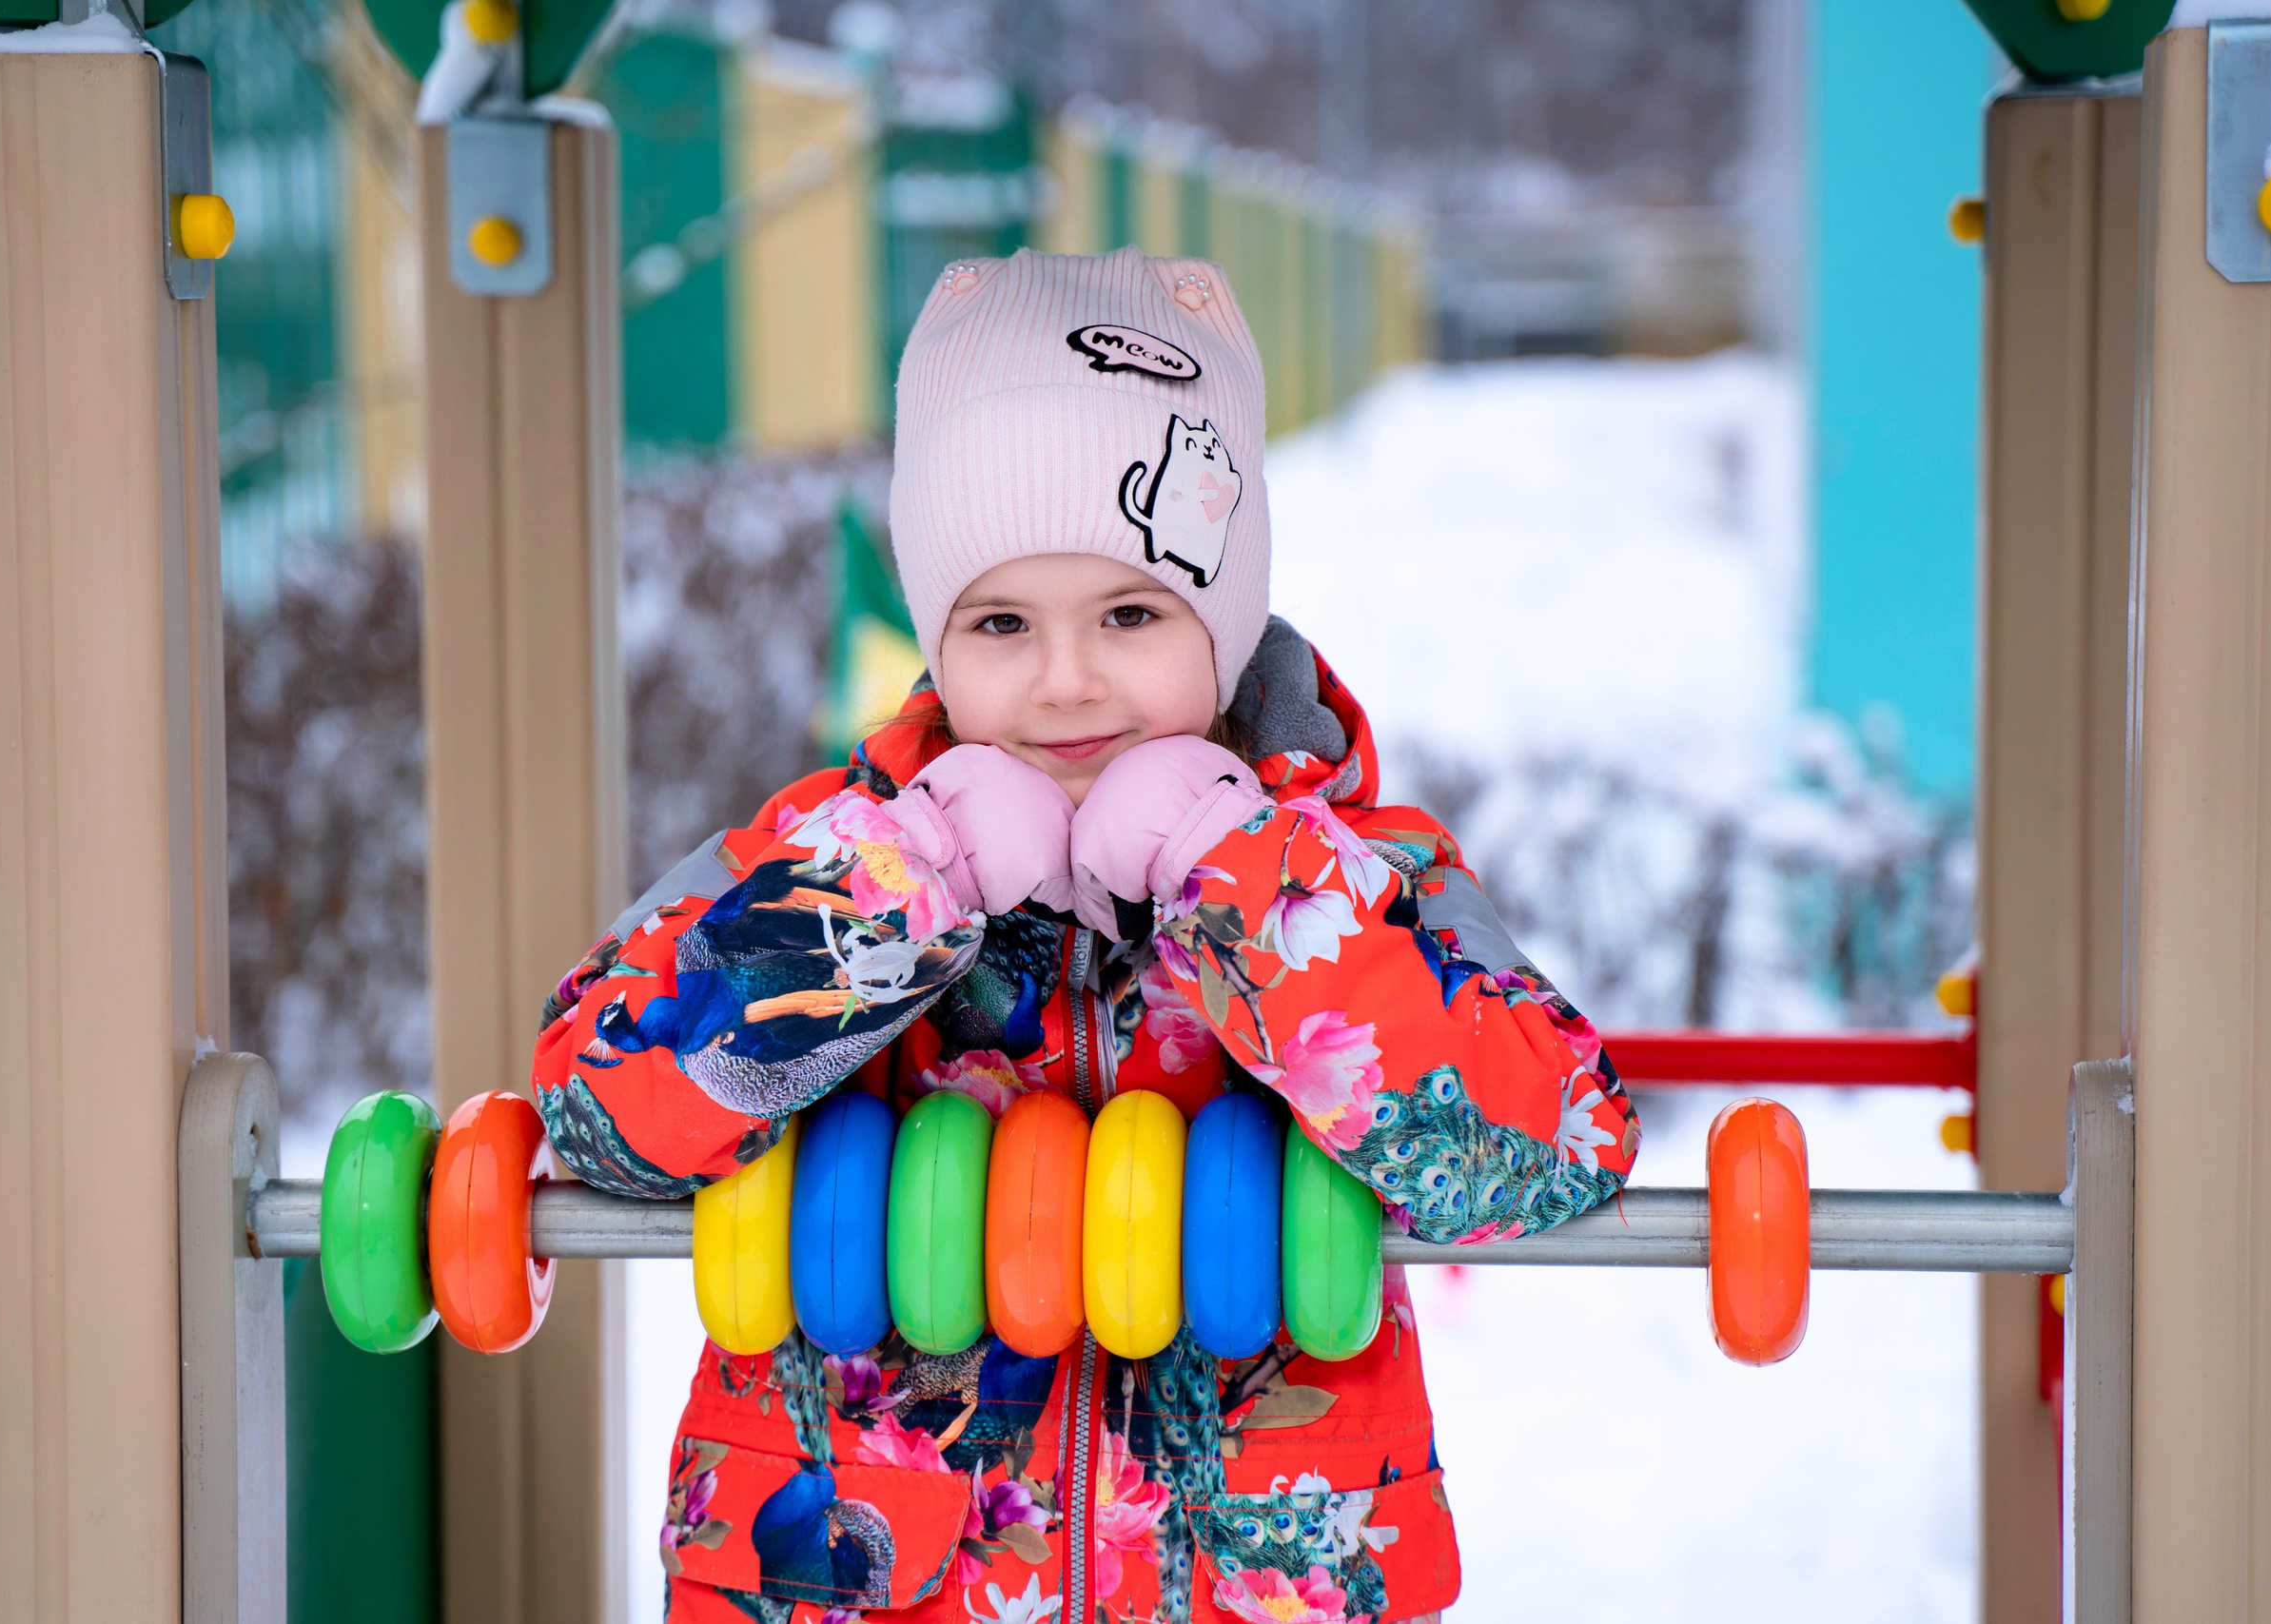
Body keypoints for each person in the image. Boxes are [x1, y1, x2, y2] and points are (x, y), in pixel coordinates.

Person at [532, 246, 1639, 1624]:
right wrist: (904, 887)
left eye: (1130, 614)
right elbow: (592, 1103)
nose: (1065, 682)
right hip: (867, 1576)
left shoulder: (1360, 873)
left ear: (1225, 623)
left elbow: (1551, 1148)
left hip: (1236, 1575)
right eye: (1001, 622)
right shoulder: (829, 851)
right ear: (936, 638)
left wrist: (1245, 881)